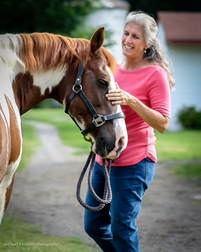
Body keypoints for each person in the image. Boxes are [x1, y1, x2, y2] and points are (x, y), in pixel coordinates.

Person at [84, 11, 174, 252]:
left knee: (122, 229)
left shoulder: (155, 74)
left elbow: (163, 123)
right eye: (126, 33)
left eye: (135, 36)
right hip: (104, 159)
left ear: (147, 45)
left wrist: (131, 100)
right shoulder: (112, 67)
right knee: (93, 225)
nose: (128, 40)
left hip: (135, 162)